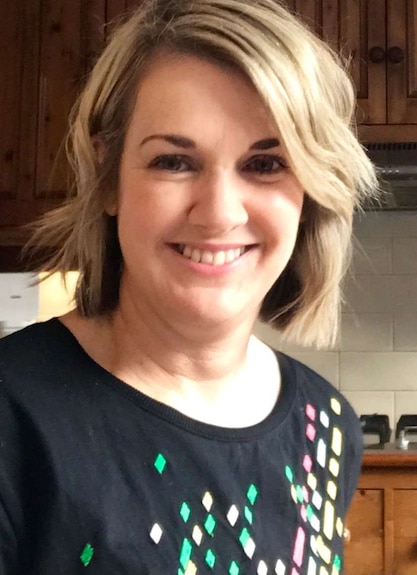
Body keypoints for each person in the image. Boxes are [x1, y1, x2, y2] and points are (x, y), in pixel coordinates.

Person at [0, 0, 378, 572]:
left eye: (266, 164)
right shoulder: (13, 412)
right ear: (109, 180)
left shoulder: (326, 425)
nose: (220, 214)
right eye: (174, 162)